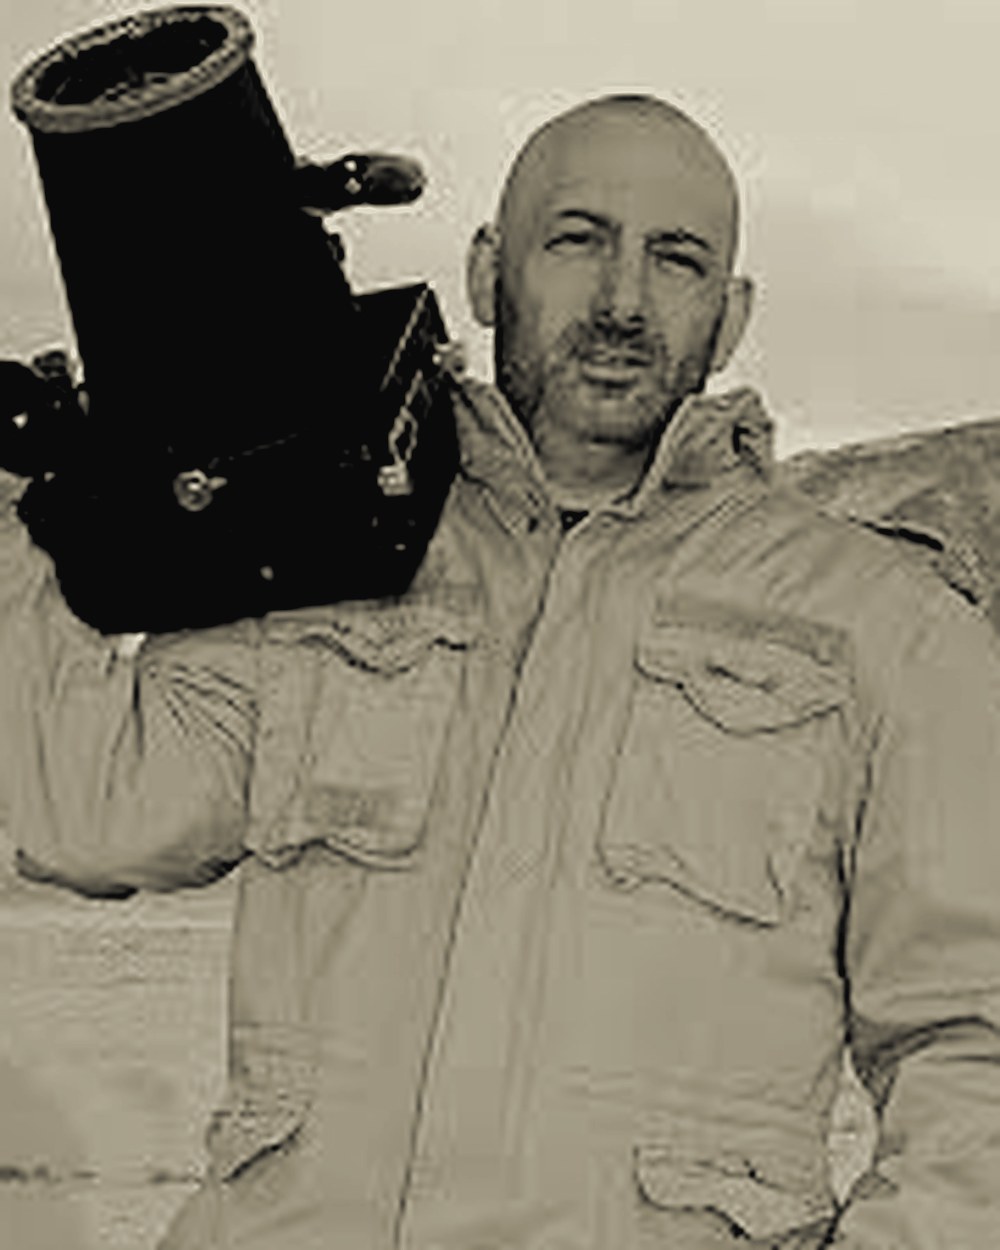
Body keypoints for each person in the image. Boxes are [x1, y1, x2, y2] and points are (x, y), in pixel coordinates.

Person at [2, 93, 999, 1249]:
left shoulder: (881, 624)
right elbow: (88, 810)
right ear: (485, 271)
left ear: (729, 317)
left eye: (676, 259)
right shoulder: (326, 551)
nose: (624, 300)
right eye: (576, 239)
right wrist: (27, 496)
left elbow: (973, 1038)